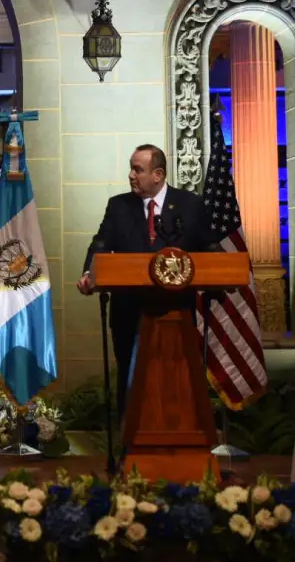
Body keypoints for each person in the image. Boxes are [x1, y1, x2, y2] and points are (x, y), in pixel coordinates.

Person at [76, 144, 216, 421]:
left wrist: (221, 272)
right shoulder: (119, 206)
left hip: (177, 312)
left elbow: (210, 249)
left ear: (158, 174)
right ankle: (130, 449)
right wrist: (90, 273)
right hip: (129, 312)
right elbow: (101, 243)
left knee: (177, 381)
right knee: (131, 380)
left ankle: (181, 446)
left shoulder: (190, 205)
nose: (131, 175)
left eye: (138, 169)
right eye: (131, 168)